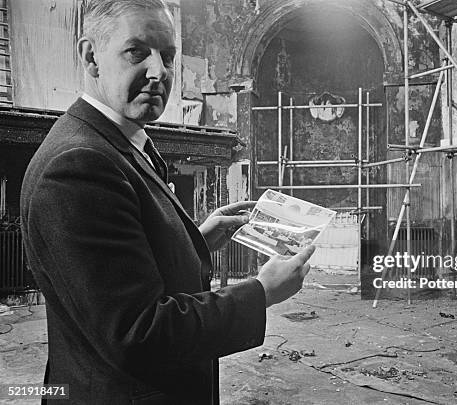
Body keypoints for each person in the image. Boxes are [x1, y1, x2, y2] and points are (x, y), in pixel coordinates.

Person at [19, 0, 314, 403]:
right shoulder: (78, 165)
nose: (159, 72)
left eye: (168, 56)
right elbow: (138, 332)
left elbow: (125, 265)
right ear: (91, 57)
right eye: (136, 51)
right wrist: (260, 292)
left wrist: (195, 238)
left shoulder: (116, 143)